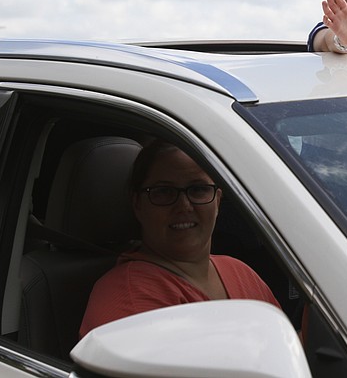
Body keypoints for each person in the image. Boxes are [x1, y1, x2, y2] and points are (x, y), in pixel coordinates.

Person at [79, 140, 279, 337]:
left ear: (217, 200)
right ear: (138, 203)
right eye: (164, 192)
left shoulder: (241, 272)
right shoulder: (130, 298)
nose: (184, 206)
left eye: (198, 189)